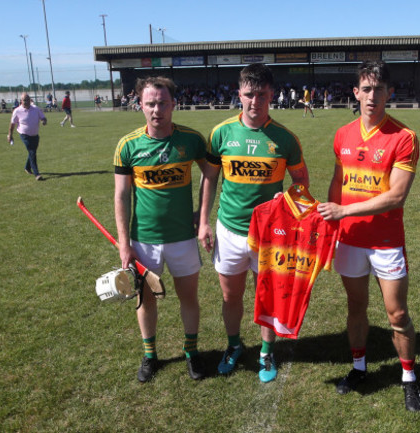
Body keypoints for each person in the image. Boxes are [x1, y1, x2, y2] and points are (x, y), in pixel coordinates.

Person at [317, 60, 420, 412]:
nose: (372, 96)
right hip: (348, 240)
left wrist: (344, 211)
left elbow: (396, 195)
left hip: (385, 241)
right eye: (366, 89)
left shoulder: (404, 137)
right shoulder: (342, 135)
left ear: (389, 93)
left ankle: (409, 376)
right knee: (356, 307)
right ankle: (359, 367)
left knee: (397, 313)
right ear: (356, 93)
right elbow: (338, 181)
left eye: (379, 89)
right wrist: (332, 219)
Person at [198, 63, 309, 383]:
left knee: (268, 298)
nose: (255, 101)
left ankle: (265, 351)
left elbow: (300, 181)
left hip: (270, 236)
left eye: (261, 95)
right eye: (249, 94)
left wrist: (293, 215)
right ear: (239, 94)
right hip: (229, 231)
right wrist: (203, 222)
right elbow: (209, 180)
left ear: (271, 95)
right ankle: (234, 346)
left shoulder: (285, 139)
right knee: (230, 297)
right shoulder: (221, 133)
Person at [114, 76, 211, 383]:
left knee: (188, 298)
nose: (157, 110)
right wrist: (123, 242)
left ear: (174, 104)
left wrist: (203, 214)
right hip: (144, 240)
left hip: (182, 237)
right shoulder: (127, 146)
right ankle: (149, 355)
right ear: (140, 105)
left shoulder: (191, 140)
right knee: (146, 299)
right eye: (150, 103)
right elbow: (121, 195)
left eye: (163, 103)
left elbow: (211, 174)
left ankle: (192, 352)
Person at [7, 92, 47, 181]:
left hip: (35, 135)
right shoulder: (17, 111)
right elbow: (12, 124)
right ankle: (37, 174)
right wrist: (10, 135)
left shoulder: (36, 109)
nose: (26, 102)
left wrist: (44, 121)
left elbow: (43, 117)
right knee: (32, 151)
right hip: (24, 134)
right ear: (21, 101)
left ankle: (27, 167)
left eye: (28, 100)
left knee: (32, 152)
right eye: (24, 100)